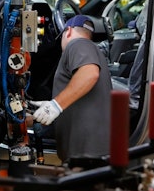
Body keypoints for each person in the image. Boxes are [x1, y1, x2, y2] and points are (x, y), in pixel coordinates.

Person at [30, 15, 112, 162]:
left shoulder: (77, 44)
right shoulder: (90, 48)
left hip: (86, 156)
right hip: (88, 153)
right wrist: (49, 105)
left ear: (67, 31)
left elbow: (89, 74)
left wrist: (55, 105)